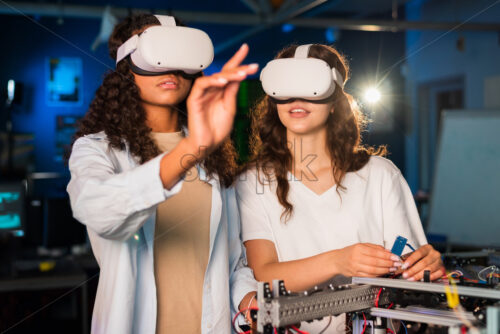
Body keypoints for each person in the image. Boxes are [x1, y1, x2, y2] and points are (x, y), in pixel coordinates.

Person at [67, 14, 257, 334]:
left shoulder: (214, 158)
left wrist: (248, 297)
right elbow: (96, 210)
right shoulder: (97, 149)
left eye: (180, 56)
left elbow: (232, 260)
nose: (170, 68)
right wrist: (190, 149)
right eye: (157, 55)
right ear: (127, 64)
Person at [236, 44, 443, 333]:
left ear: (335, 102)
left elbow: (410, 270)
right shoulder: (252, 183)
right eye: (285, 88)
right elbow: (263, 274)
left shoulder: (380, 175)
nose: (297, 97)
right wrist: (339, 260)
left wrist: (425, 266)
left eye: (312, 88)